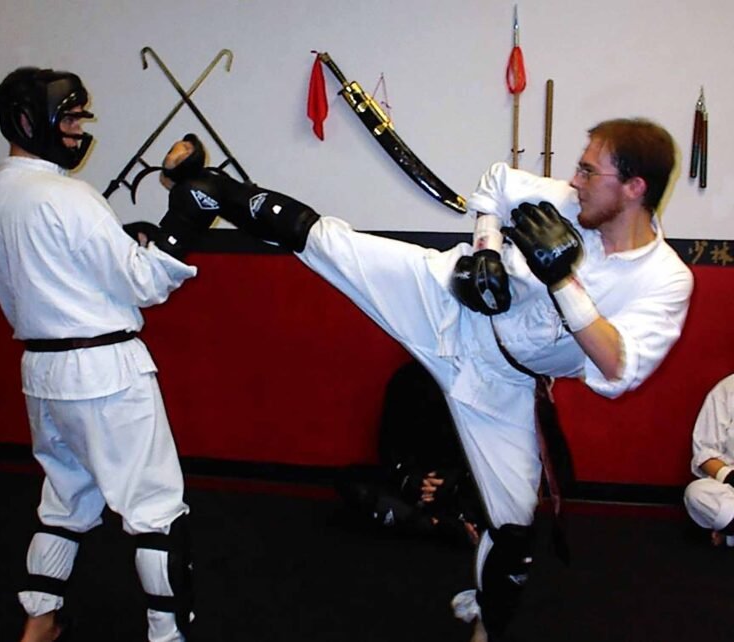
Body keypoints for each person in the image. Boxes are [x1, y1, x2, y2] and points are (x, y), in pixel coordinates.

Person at [166, 117, 693, 641]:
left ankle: (488, 624)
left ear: (633, 187)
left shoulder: (664, 279)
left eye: (588, 170)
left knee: (512, 527)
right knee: (333, 244)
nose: (574, 180)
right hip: (450, 304)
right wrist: (487, 249)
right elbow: (495, 184)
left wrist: (562, 281)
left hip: (503, 385)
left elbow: (619, 367)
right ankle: (212, 190)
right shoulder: (567, 199)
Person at [0, 67, 215, 642]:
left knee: (64, 500)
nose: (79, 129)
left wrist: (125, 241)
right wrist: (183, 223)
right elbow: (144, 285)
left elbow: (52, 273)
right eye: (71, 117)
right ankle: (167, 635)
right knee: (155, 511)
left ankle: (40, 624)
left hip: (41, 370)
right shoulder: (68, 196)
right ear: (31, 120)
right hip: (105, 370)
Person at [335, 359, 486, 546]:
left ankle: (428, 521)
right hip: (414, 486)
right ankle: (434, 525)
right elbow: (389, 448)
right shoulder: (406, 379)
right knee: (351, 480)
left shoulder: (479, 384)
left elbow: (489, 451)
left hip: (460, 486)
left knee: (500, 499)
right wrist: (412, 479)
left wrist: (453, 480)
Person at [684, 373, 734, 548]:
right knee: (697, 493)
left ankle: (730, 533)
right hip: (731, 486)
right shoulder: (726, 389)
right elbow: (705, 454)